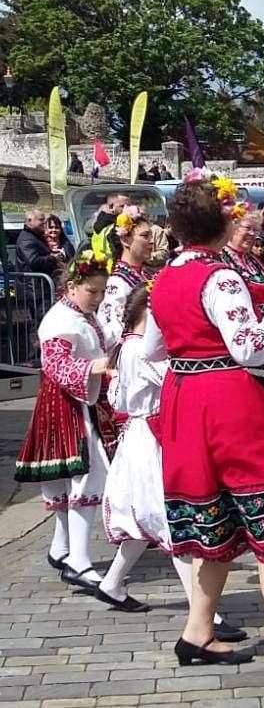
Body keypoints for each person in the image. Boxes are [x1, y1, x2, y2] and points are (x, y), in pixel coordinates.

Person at [145, 176, 264, 690]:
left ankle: (197, 632)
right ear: (224, 221)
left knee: (213, 524)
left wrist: (194, 349)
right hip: (231, 402)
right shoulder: (222, 278)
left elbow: (151, 350)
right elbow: (248, 346)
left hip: (185, 400)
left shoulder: (163, 278)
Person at [99, 284, 243, 641]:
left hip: (144, 434)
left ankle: (112, 583)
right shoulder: (138, 351)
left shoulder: (127, 349)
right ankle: (204, 613)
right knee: (170, 521)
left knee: (146, 518)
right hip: (148, 439)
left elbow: (118, 397)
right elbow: (171, 381)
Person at [15, 250, 117, 591]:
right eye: (92, 291)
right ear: (72, 287)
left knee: (70, 481)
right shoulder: (61, 320)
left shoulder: (80, 315)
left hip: (75, 402)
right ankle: (79, 561)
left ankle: (62, 549)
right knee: (84, 477)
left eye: (102, 291)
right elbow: (56, 366)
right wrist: (96, 367)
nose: (98, 298)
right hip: (67, 403)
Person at [97, 207, 153, 345]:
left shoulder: (144, 274)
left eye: (151, 236)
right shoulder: (117, 283)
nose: (151, 241)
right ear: (125, 240)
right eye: (145, 236)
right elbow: (112, 330)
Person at [15, 209, 63, 275]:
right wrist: (53, 258)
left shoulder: (35, 236)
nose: (44, 222)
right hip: (33, 283)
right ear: (29, 220)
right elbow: (34, 262)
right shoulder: (26, 239)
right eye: (41, 219)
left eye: (44, 220)